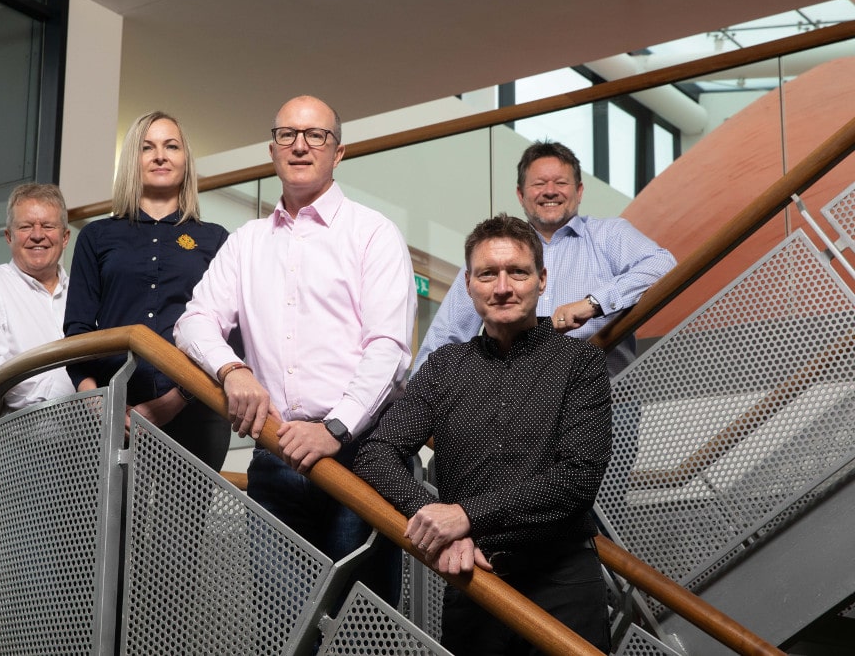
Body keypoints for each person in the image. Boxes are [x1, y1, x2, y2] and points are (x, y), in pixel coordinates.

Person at [174, 95, 416, 601]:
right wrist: (232, 369)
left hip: (361, 458)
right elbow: (194, 322)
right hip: (276, 453)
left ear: (339, 151)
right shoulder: (246, 242)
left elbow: (389, 348)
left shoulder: (373, 233)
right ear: (272, 149)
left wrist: (335, 428)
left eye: (316, 135)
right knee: (278, 632)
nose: (300, 145)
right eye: (288, 134)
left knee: (360, 629)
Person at [354, 213, 612, 655]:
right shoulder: (443, 368)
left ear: (542, 280)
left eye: (518, 272)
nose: (503, 287)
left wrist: (466, 515)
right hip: (474, 580)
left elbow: (577, 480)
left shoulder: (580, 364)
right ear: (470, 284)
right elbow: (376, 454)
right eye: (488, 274)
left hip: (564, 583)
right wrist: (434, 512)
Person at [413, 140, 676, 378]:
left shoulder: (609, 235)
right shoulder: (495, 253)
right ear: (520, 194)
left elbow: (663, 265)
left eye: (561, 183)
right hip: (516, 406)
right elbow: (446, 335)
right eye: (539, 184)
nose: (550, 191)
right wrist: (418, 404)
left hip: (609, 397)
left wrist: (593, 303)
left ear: (579, 191)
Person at [64, 111, 233, 471]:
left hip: (195, 409)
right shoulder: (96, 236)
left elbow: (229, 333)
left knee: (181, 528)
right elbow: (78, 328)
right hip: (111, 410)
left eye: (171, 146)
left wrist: (174, 400)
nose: (160, 155)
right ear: (132, 161)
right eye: (147, 147)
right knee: (113, 526)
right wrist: (96, 401)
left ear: (185, 160)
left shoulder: (216, 239)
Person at [0, 182, 76, 413]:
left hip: (91, 440)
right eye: (26, 226)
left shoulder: (83, 295)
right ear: (8, 236)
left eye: (48, 226)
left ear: (65, 237)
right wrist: (68, 396)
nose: (38, 235)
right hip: (20, 442)